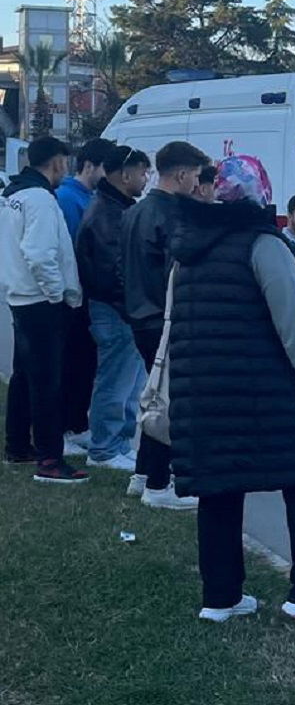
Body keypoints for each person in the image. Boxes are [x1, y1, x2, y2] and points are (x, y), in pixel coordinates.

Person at [168, 158, 295, 628]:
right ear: (261, 196)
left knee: (220, 491)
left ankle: (221, 597)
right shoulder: (263, 245)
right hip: (270, 394)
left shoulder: (189, 250)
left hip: (207, 396)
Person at [121, 140, 210, 508]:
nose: (197, 184)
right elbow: (177, 271)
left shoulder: (135, 211)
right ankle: (160, 485)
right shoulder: (173, 214)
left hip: (139, 314)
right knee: (170, 402)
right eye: (196, 177)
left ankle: (142, 474)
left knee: (154, 394)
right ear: (183, 174)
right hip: (165, 317)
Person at [0, 136, 90, 483]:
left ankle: (18, 446)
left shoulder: (13, 195)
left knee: (25, 377)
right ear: (57, 163)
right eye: (65, 163)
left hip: (19, 296)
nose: (65, 170)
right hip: (41, 301)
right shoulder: (39, 198)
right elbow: (39, 254)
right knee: (48, 384)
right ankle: (51, 461)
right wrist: (58, 295)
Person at [75, 145, 151, 471]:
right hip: (115, 311)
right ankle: (104, 448)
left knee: (131, 384)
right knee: (115, 382)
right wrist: (133, 308)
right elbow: (111, 273)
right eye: (143, 172)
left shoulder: (117, 208)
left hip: (126, 311)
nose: (146, 179)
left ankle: (119, 443)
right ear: (125, 173)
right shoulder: (107, 213)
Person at [56, 137, 114, 457]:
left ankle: (77, 424)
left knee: (85, 365)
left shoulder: (89, 196)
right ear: (89, 165)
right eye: (107, 168)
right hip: (73, 296)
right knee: (71, 363)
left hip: (89, 297)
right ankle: (63, 427)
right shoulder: (67, 198)